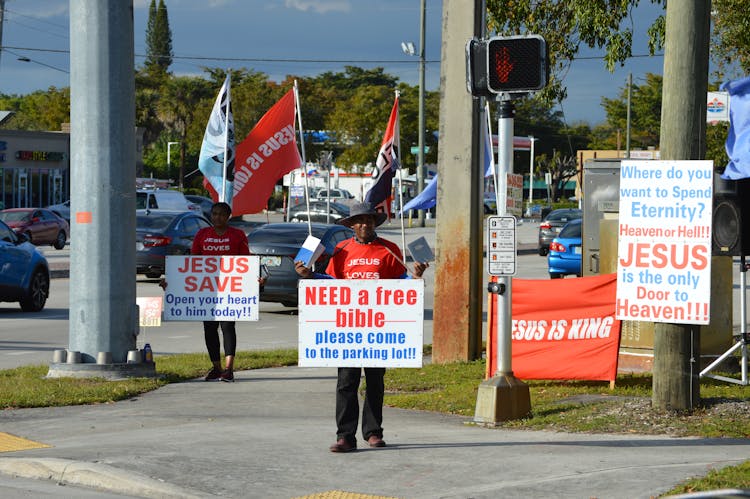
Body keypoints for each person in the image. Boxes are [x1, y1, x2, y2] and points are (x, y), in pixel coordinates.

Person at [295, 201, 429, 452]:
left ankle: (373, 431)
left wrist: (415, 277)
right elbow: (330, 282)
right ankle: (345, 436)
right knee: (346, 381)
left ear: (374, 223)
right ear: (352, 225)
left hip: (379, 327)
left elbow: (402, 282)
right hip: (348, 328)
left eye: (368, 220)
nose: (364, 224)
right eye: (359, 221)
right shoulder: (341, 250)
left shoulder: (390, 249)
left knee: (375, 380)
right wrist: (308, 275)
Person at [161, 201, 261, 382]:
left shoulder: (237, 235)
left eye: (222, 214)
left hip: (230, 290)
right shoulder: (202, 234)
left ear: (228, 216)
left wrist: (255, 281)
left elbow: (245, 263)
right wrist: (172, 282)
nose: (217, 217)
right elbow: (192, 264)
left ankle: (229, 369)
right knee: (209, 328)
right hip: (207, 291)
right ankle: (216, 367)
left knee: (227, 326)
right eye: (214, 214)